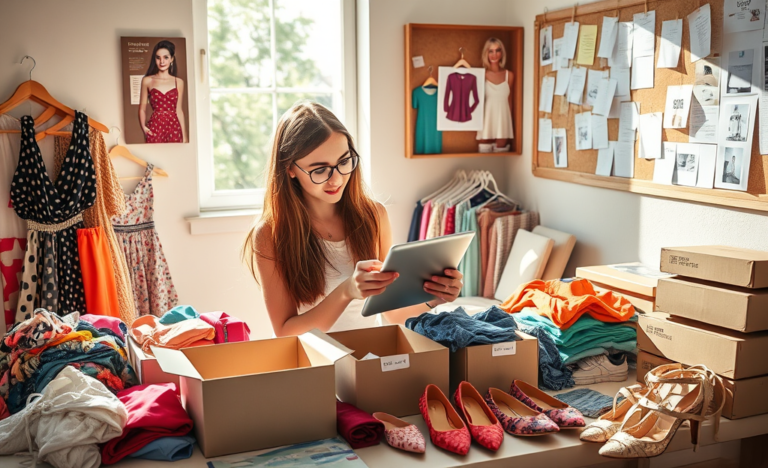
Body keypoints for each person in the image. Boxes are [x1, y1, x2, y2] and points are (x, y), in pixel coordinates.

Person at [243, 102, 463, 336]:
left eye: (344, 162)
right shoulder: (270, 233)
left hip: (369, 358)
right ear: (290, 169)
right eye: (320, 170)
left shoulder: (374, 216)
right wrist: (346, 291)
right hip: (317, 363)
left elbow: (392, 313)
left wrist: (434, 298)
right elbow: (286, 332)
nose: (336, 179)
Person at [139, 40, 187, 143]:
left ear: (172, 59)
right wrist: (143, 127)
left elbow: (179, 110)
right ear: (154, 59)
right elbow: (142, 109)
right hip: (155, 127)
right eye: (158, 58)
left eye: (166, 57)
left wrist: (185, 137)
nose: (162, 62)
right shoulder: (147, 80)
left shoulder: (178, 82)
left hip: (174, 127)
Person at [476, 37, 515, 153]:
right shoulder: (481, 75)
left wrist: (509, 122)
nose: (494, 55)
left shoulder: (510, 75)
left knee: (501, 157)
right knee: (482, 160)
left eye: (497, 50)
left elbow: (510, 101)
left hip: (503, 120)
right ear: (486, 53)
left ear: (502, 53)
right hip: (485, 120)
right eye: (491, 51)